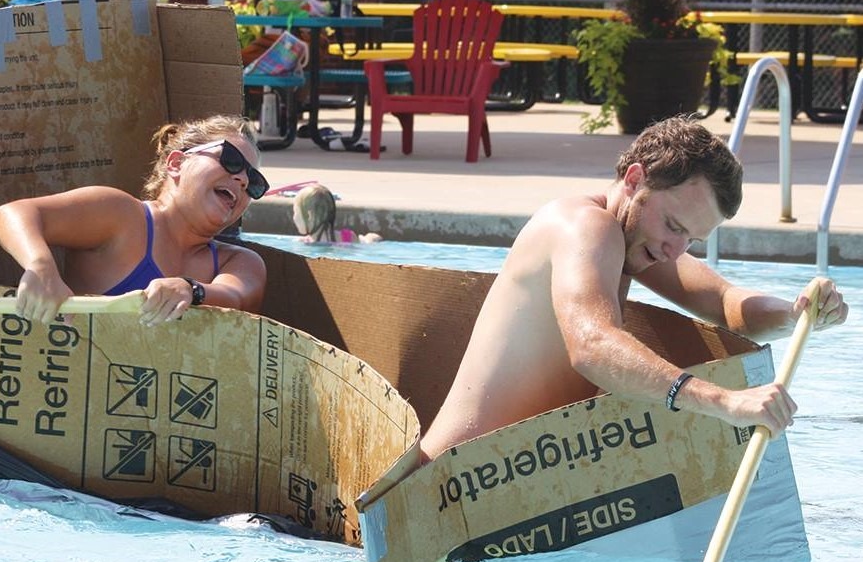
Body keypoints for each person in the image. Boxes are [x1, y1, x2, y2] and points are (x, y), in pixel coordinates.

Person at [420, 116, 848, 462]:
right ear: (634, 180)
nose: (674, 250)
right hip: (446, 487)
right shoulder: (586, 226)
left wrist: (798, 313)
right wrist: (723, 401)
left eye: (691, 241)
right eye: (673, 226)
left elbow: (726, 304)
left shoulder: (635, 242)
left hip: (506, 478)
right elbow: (592, 345)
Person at [0, 114, 268, 326]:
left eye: (254, 182)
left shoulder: (240, 262)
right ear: (176, 163)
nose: (242, 180)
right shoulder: (120, 216)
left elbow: (237, 299)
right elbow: (16, 213)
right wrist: (41, 267)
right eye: (231, 160)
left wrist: (190, 290)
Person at [292, 183, 382, 244]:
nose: (294, 217)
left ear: (309, 216)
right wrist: (369, 238)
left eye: (295, 212)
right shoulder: (347, 238)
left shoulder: (303, 244)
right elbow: (372, 240)